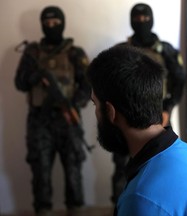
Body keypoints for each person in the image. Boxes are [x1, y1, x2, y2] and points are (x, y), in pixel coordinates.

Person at [87, 45, 187, 216]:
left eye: (95, 104)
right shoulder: (184, 151)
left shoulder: (141, 199)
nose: (96, 113)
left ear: (111, 112)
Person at [14, 6, 91, 216]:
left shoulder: (76, 53)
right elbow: (19, 83)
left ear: (63, 23)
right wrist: (36, 77)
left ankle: (75, 210)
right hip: (39, 121)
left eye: (56, 23)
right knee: (41, 174)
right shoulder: (32, 53)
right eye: (47, 23)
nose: (51, 27)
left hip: (68, 118)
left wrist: (73, 103)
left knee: (74, 173)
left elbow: (88, 85)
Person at [111, 2, 186, 204]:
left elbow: (180, 81)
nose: (141, 23)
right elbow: (110, 84)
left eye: (145, 19)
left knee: (164, 164)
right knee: (123, 167)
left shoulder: (167, 51)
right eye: (137, 19)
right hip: (127, 120)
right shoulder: (121, 51)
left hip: (159, 118)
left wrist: (168, 108)